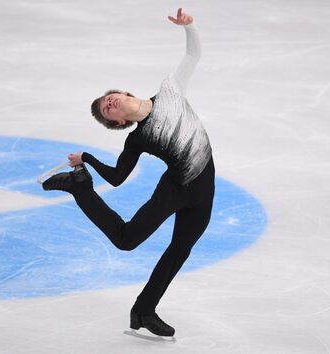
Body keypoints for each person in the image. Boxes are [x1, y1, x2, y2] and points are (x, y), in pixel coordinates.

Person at [42, 8, 214, 337]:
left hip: (204, 189)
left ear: (125, 94)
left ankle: (144, 311)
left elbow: (193, 53)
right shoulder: (137, 140)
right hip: (175, 189)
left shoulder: (170, 90)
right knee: (126, 240)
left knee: (180, 249)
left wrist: (190, 26)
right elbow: (119, 177)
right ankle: (80, 189)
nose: (111, 103)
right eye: (108, 110)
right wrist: (87, 160)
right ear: (119, 123)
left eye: (110, 98)